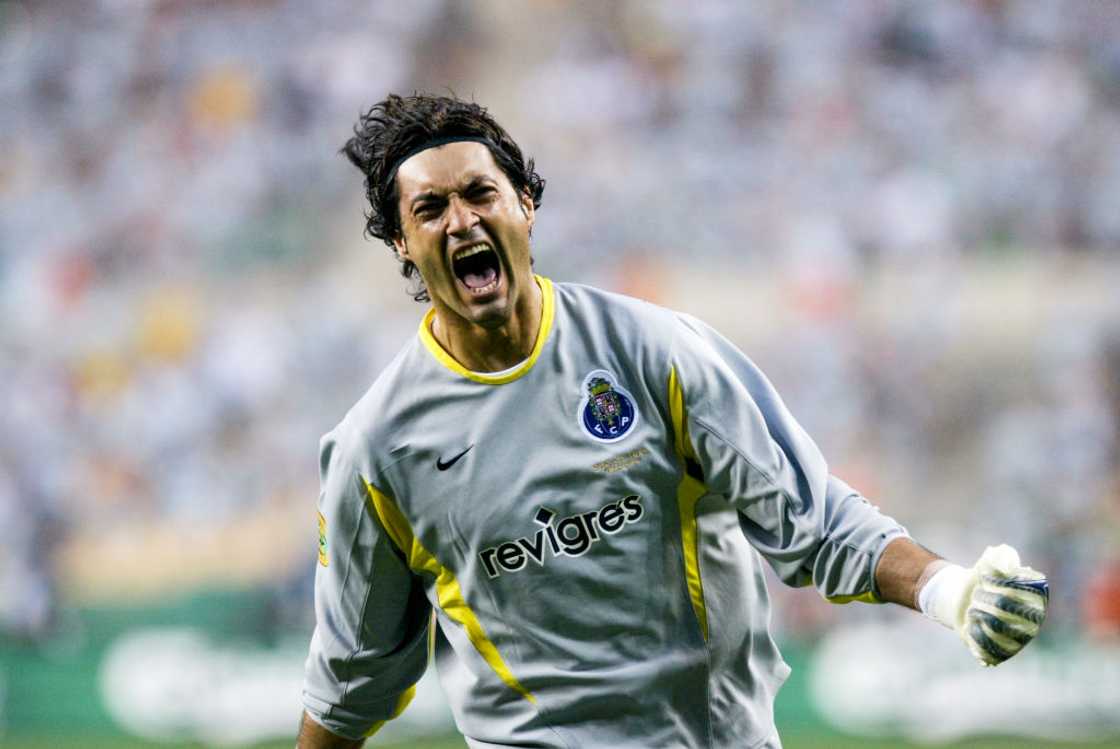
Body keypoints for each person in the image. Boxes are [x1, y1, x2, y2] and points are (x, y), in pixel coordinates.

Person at [296, 93, 1049, 749]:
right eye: (430, 209)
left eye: (480, 194)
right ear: (401, 242)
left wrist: (950, 589)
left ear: (526, 202)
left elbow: (812, 519)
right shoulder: (377, 449)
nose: (461, 220)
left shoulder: (653, 352)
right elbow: (352, 674)